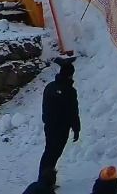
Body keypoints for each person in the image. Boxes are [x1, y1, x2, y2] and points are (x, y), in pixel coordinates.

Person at [38, 59, 80, 189]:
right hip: (61, 129)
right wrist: (76, 128)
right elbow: (73, 112)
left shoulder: (50, 87)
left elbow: (44, 106)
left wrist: (46, 120)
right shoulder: (70, 91)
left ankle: (43, 179)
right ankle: (46, 183)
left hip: (49, 127)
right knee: (54, 154)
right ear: (70, 75)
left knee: (48, 152)